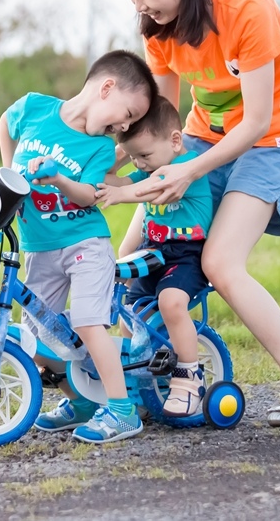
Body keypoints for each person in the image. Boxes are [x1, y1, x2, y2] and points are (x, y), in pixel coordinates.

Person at [108, 0, 280, 426]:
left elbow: (254, 120)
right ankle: (122, 379)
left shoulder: (246, 9)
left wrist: (186, 170)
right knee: (128, 257)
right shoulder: (157, 29)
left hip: (272, 140)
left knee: (220, 263)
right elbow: (159, 120)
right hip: (201, 139)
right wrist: (111, 169)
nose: (142, 8)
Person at [0, 49, 158, 443]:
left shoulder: (99, 148)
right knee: (40, 332)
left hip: (85, 243)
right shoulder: (35, 108)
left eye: (132, 122)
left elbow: (88, 194)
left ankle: (122, 411)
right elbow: (5, 122)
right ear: (106, 88)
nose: (124, 125)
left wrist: (58, 180)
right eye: (128, 113)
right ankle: (82, 401)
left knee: (88, 323)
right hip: (39, 245)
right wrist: (9, 177)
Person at [95, 95, 213, 417]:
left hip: (185, 256)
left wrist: (121, 195)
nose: (139, 164)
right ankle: (136, 383)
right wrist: (109, 161)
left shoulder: (182, 169)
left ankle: (189, 376)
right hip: (153, 254)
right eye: (134, 157)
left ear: (175, 141)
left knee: (171, 303)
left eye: (144, 154)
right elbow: (113, 180)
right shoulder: (147, 166)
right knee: (128, 311)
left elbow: (144, 189)